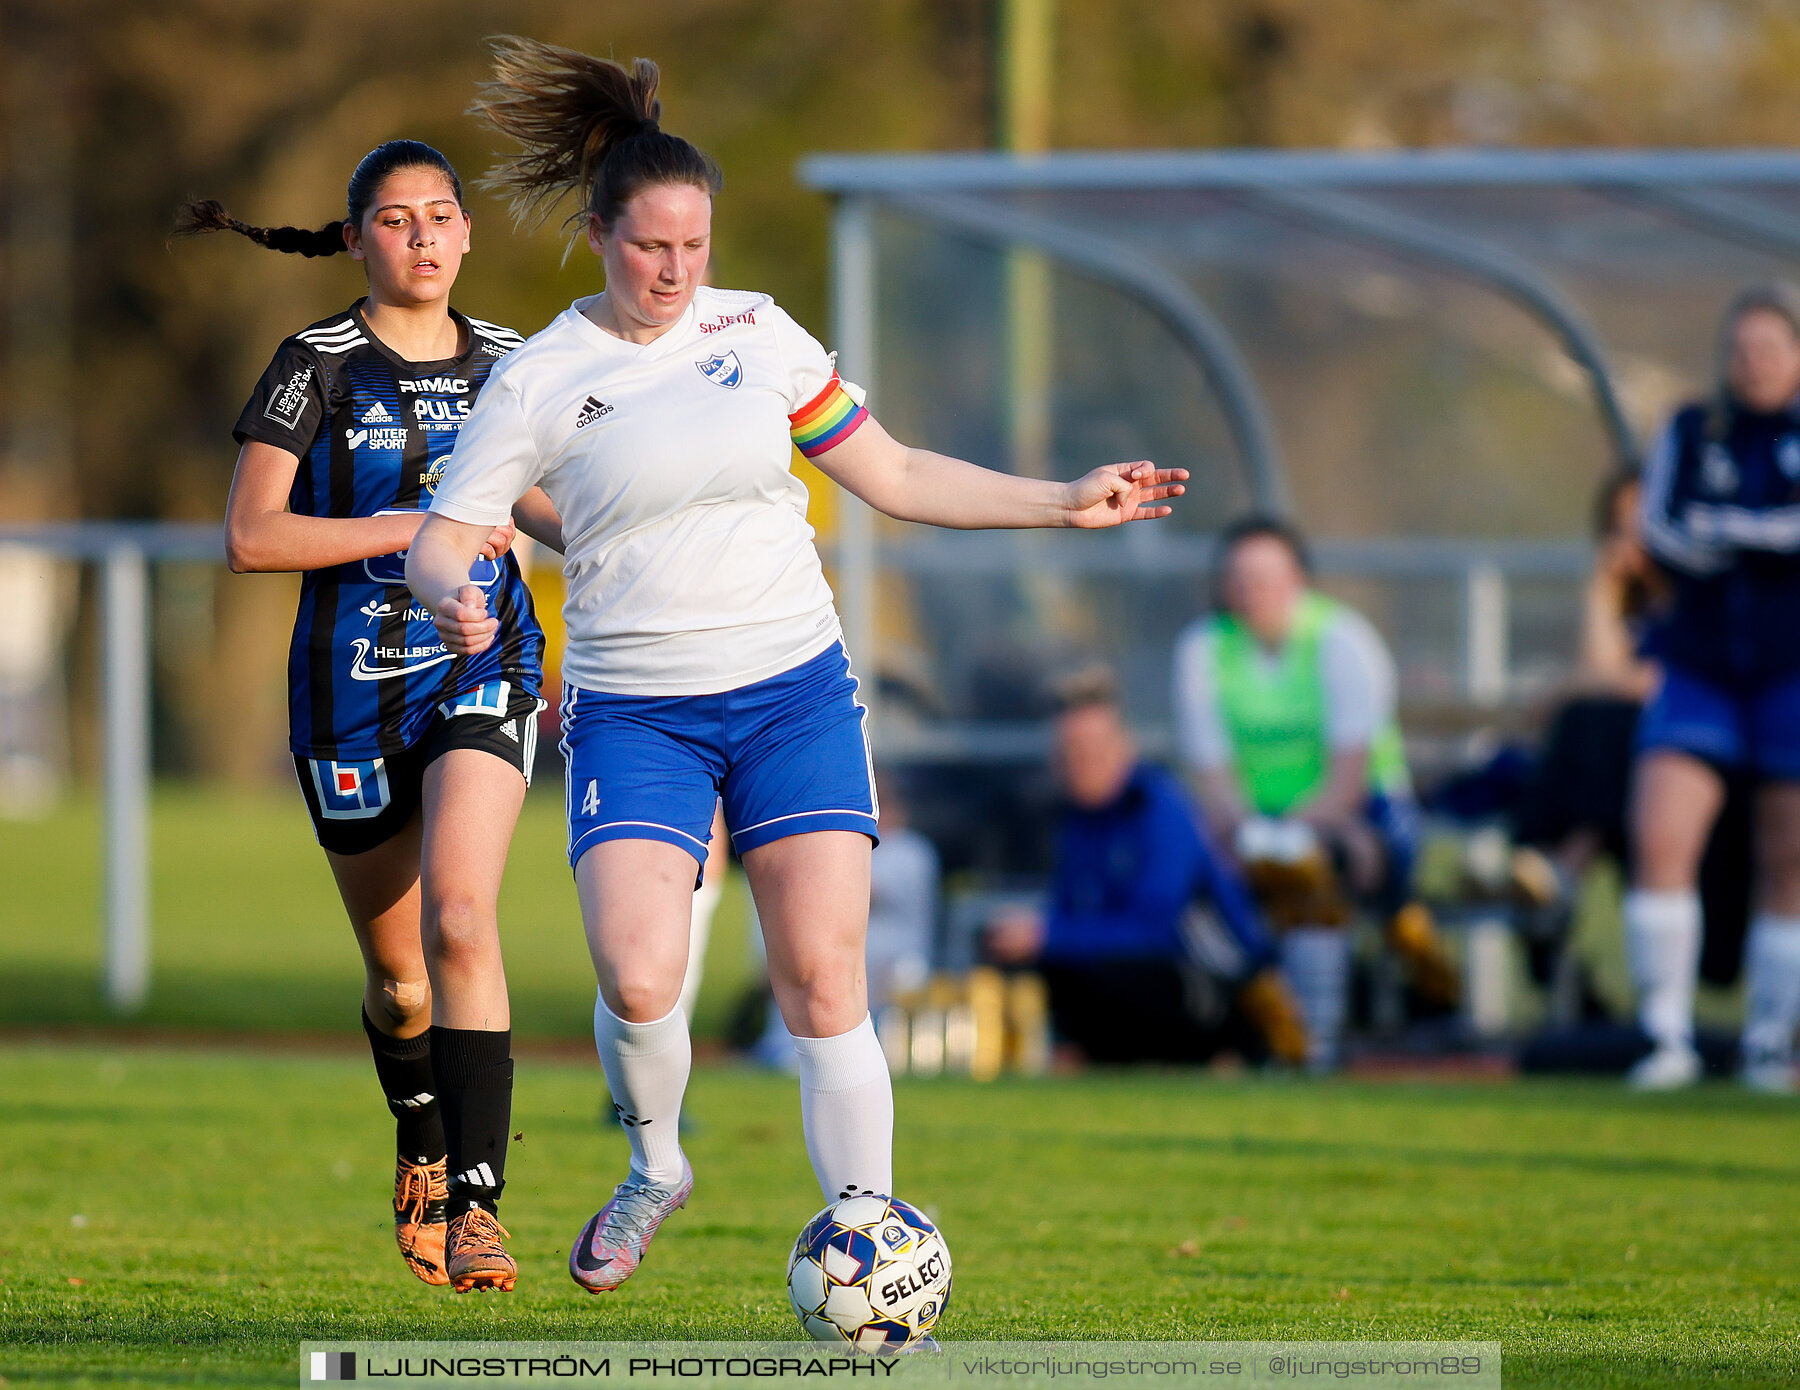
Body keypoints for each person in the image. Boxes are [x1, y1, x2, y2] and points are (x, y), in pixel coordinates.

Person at [405, 38, 1186, 1297]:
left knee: (825, 973)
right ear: (601, 232)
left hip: (792, 690)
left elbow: (897, 472)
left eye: (695, 247)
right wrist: (451, 597)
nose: (674, 271)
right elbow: (444, 540)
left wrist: (1062, 502)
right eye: (651, 246)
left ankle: (869, 1238)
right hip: (637, 710)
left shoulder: (759, 335)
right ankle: (656, 1164)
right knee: (641, 970)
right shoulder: (543, 378)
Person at [178, 141, 559, 1291]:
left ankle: (480, 1206)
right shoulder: (316, 365)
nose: (425, 237)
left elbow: (553, 501)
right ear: (356, 242)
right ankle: (421, 1138)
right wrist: (409, 525)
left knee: (461, 914)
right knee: (402, 985)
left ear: (469, 233)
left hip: (482, 669)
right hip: (350, 693)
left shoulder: (512, 362)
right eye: (397, 221)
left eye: (443, 215)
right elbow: (253, 537)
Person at [1172, 516, 1455, 1070]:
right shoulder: (1203, 649)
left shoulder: (1342, 640)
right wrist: (1253, 834)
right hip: (1251, 821)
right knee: (1193, 876)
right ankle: (1259, 1021)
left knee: (1320, 869)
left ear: (1299, 580)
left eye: (1268, 577)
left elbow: (1348, 777)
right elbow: (1213, 777)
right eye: (1240, 578)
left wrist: (1291, 837)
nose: (1253, 592)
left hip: (1355, 810)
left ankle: (1332, 1026)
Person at [1629, 282, 1800, 1092]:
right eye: (1741, 350)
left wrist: (1736, 532)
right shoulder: (1693, 429)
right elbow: (1659, 531)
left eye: (1769, 349)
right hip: (1699, 667)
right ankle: (1665, 1036)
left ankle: (1771, 1042)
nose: (1753, 364)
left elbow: (1731, 531)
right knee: (1662, 833)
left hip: (1790, 670)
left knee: (1788, 855)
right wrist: (1753, 541)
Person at [984, 670, 1306, 1065]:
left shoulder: (1160, 809)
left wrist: (1047, 935)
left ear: (1125, 747)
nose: (1081, 763)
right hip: (1126, 978)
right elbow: (1072, 915)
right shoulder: (1075, 823)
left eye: (1094, 749)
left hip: (1213, 988)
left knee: (1114, 977)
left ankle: (1220, 1056)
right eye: (1069, 752)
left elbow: (1153, 930)